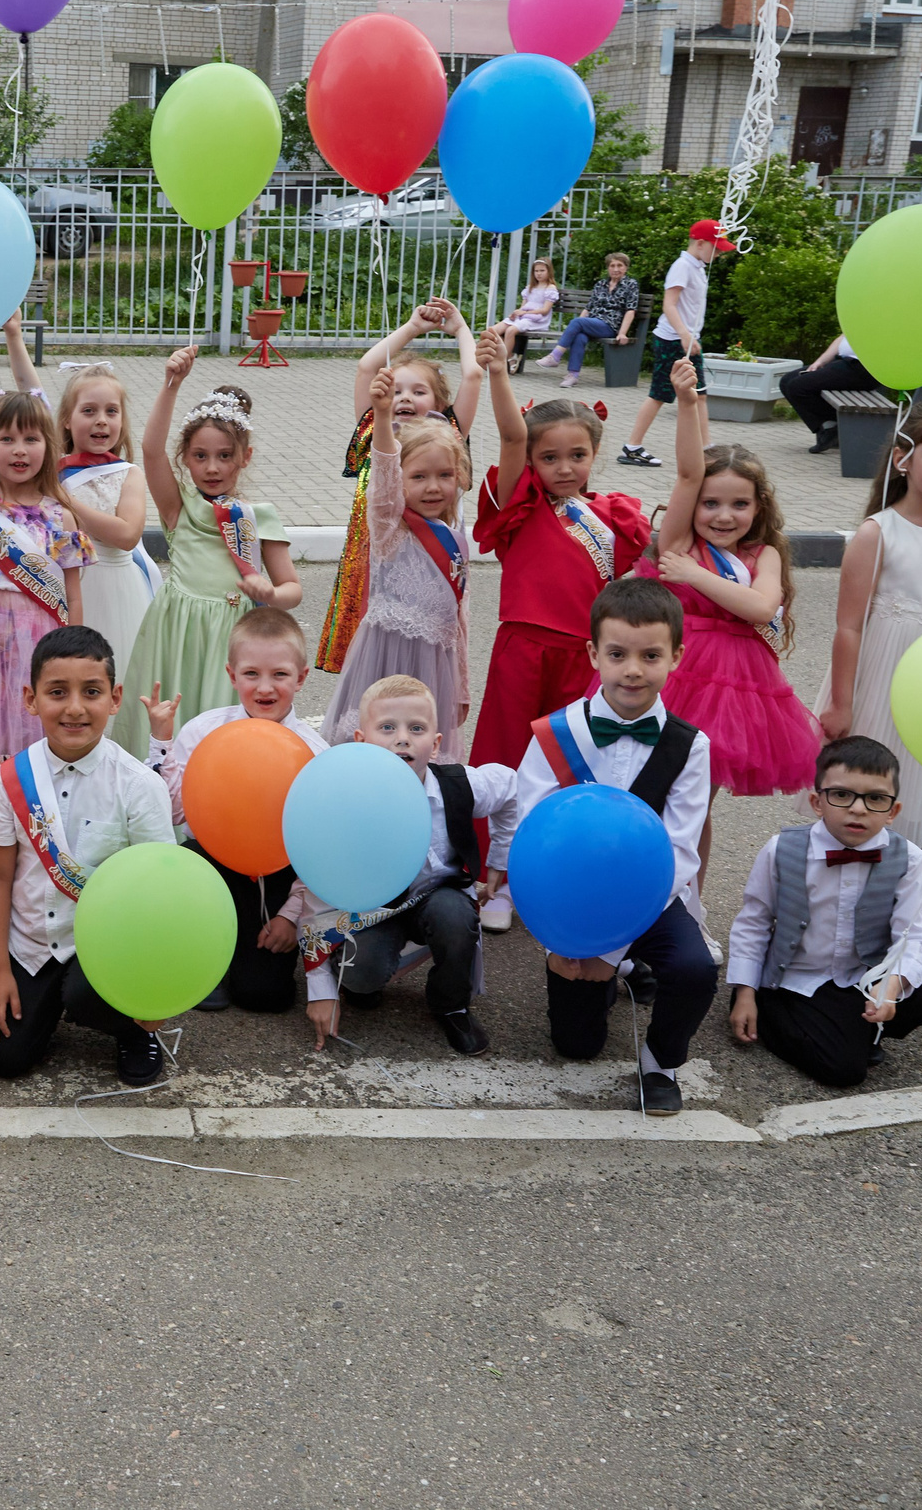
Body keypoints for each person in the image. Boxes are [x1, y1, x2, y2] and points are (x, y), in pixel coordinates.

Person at [505, 577, 718, 1115]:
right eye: (618, 654)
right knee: (577, 1047)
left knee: (695, 968)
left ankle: (661, 1060)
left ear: (675, 658)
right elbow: (533, 834)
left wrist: (609, 946)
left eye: (651, 656)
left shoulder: (691, 746)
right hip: (571, 899)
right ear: (593, 653)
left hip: (652, 899)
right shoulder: (554, 733)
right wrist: (573, 938)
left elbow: (681, 851)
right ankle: (616, 973)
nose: (633, 669)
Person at [469, 324, 649, 930]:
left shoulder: (615, 516)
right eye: (549, 458)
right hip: (522, 649)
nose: (564, 468)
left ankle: (557, 870)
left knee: (574, 764)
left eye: (578, 455)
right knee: (508, 760)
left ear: (595, 455)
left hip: (586, 658)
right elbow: (510, 435)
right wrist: (498, 373)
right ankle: (492, 876)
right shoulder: (517, 509)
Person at [641, 358, 819, 892]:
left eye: (739, 504)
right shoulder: (674, 541)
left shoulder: (761, 555)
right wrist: (690, 403)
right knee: (646, 797)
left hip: (736, 692)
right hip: (670, 679)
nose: (723, 516)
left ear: (758, 506)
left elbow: (761, 609)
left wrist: (694, 573)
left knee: (695, 806)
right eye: (710, 505)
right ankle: (637, 897)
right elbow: (688, 471)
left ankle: (687, 905)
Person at [0, 626, 174, 1086]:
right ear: (31, 698)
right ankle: (30, 993)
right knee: (1, 1057)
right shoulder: (10, 779)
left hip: (104, 943)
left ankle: (129, 1028)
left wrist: (153, 991)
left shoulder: (139, 786)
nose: (75, 708)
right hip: (33, 942)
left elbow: (162, 894)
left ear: (115, 698)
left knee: (84, 994)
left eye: (92, 692)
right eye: (57, 692)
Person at [297, 676, 520, 1056]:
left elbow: (510, 787)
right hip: (372, 911)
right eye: (387, 728)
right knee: (361, 976)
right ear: (361, 741)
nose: (402, 739)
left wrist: (500, 859)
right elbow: (316, 898)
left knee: (454, 918)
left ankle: (451, 1003)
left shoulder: (460, 785)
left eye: (416, 729)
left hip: (438, 899)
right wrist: (319, 989)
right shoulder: (344, 807)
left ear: (435, 744)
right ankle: (359, 979)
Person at [815, 399, 922, 861]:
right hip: (883, 684)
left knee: (916, 797)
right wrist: (840, 702)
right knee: (865, 793)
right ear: (903, 459)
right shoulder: (878, 533)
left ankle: (899, 907)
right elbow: (849, 627)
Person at [727, 737, 922, 1088]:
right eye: (841, 795)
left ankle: (856, 1026)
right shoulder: (782, 850)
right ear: (816, 802)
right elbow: (754, 921)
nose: (858, 809)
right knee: (844, 1072)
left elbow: (912, 936)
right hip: (795, 978)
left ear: (893, 811)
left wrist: (890, 986)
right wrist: (745, 992)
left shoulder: (910, 858)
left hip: (860, 975)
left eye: (876, 799)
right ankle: (775, 1011)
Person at [115, 351, 302, 758]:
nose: (212, 468)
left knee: (221, 734)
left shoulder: (257, 518)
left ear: (244, 457)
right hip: (175, 630)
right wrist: (172, 384)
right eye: (200, 456)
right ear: (185, 459)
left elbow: (292, 589)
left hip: (231, 635)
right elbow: (149, 451)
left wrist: (270, 594)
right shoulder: (178, 508)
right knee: (169, 724)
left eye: (224, 456)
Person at [149, 606, 328, 1015]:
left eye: (280, 674)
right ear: (232, 675)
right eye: (251, 674)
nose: (265, 687)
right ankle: (201, 954)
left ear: (301, 678)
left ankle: (247, 951)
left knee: (264, 997)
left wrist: (291, 915)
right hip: (212, 867)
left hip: (280, 877)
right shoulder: (202, 731)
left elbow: (321, 852)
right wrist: (161, 744)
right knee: (185, 857)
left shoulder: (317, 755)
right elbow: (172, 814)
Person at [316, 298, 480, 677]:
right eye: (398, 389)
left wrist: (459, 328)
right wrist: (412, 327)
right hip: (373, 554)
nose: (405, 397)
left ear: (439, 403)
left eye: (418, 391)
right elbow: (366, 367)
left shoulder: (448, 432)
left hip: (426, 560)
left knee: (417, 650)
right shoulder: (375, 426)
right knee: (371, 655)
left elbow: (473, 376)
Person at [0, 389, 90, 797]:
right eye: (6, 438)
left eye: (31, 439)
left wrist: (75, 652)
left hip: (39, 641)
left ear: (49, 444)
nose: (19, 450)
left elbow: (72, 593)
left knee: (32, 743)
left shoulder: (59, 514)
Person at [323, 387, 473, 749]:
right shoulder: (390, 524)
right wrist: (382, 414)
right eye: (419, 477)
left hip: (433, 667)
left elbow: (460, 621)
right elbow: (385, 468)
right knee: (374, 743)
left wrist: (461, 685)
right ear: (399, 480)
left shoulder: (455, 537)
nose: (433, 487)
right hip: (385, 658)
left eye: (445, 475)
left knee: (420, 752)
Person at [43, 363, 159, 671]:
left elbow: (126, 535)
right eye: (89, 411)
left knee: (115, 672)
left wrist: (64, 497)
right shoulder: (52, 469)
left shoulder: (128, 473)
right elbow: (31, 391)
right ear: (67, 419)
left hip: (117, 588)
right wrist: (15, 337)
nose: (101, 421)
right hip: (64, 586)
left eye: (111, 412)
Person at [618, 218, 733, 469]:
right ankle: (632, 447)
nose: (718, 253)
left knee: (700, 394)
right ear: (700, 243)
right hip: (672, 340)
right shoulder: (682, 266)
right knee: (659, 394)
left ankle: (706, 449)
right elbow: (669, 304)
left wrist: (691, 337)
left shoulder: (698, 266)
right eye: (715, 247)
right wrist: (683, 334)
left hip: (687, 340)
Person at [780, 334, 880, 456]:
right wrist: (820, 362)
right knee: (786, 381)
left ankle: (833, 429)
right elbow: (843, 337)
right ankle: (830, 428)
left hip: (863, 369)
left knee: (797, 387)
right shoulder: (857, 318)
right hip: (843, 362)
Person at [554, 252, 640, 390]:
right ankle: (573, 375)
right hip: (593, 323)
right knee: (579, 336)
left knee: (578, 322)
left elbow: (631, 310)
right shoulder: (601, 284)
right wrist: (578, 326)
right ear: (608, 268)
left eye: (620, 265)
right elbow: (589, 308)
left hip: (610, 325)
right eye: (612, 265)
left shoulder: (631, 284)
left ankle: (556, 355)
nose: (616, 269)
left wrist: (622, 333)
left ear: (626, 268)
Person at [504, 257, 562, 373]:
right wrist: (516, 313)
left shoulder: (550, 288)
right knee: (494, 330)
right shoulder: (530, 287)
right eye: (536, 271)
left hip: (537, 320)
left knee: (510, 331)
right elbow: (523, 306)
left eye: (542, 271)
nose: (539, 274)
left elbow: (545, 310)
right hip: (524, 318)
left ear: (549, 271)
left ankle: (504, 360)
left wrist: (525, 313)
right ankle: (511, 357)